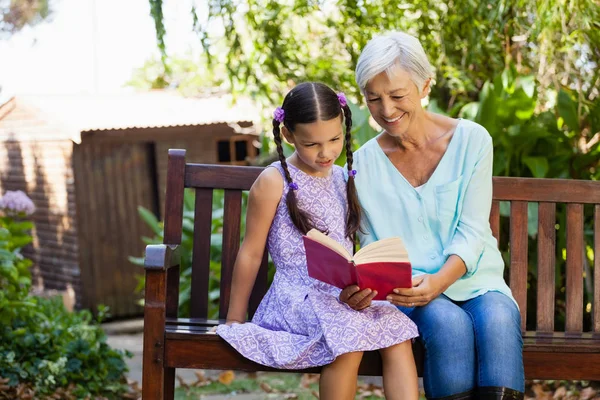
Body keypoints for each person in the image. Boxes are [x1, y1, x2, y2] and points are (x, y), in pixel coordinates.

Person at [340, 32, 525, 400]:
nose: (386, 111)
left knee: (500, 321)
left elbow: (473, 231)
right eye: (373, 99)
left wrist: (440, 281)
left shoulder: (473, 140)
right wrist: (361, 286)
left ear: (425, 84)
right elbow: (370, 245)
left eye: (397, 96)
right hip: (406, 291)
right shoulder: (361, 164)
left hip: (476, 281)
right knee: (448, 324)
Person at [217, 82, 419, 400]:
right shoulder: (273, 182)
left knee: (397, 332)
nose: (326, 153)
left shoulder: (342, 178)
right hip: (295, 297)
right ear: (288, 136)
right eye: (312, 144)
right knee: (348, 340)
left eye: (335, 139)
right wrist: (234, 319)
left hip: (342, 295)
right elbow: (251, 253)